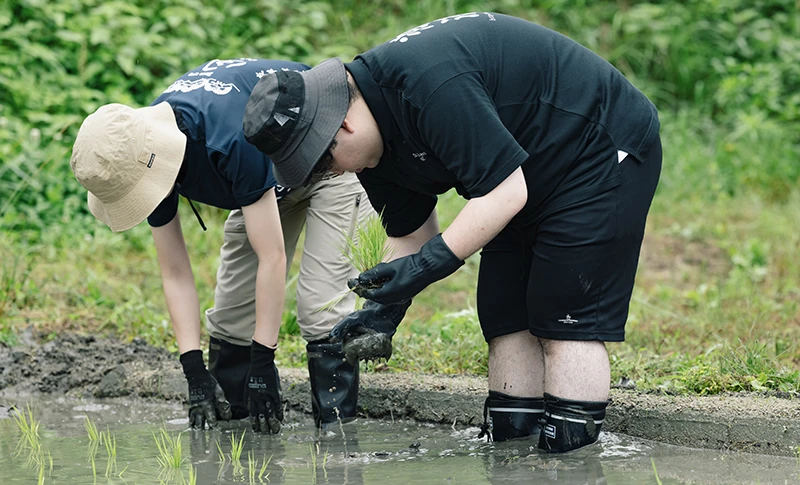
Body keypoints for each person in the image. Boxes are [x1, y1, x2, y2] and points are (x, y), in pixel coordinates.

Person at [242, 13, 661, 453]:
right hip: (520, 172)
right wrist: (384, 308)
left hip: (596, 150)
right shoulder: (371, 146)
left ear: (341, 126)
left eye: (324, 164)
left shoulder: (431, 85)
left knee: (563, 316)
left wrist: (426, 266)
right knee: (504, 315)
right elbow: (412, 236)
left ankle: (571, 461)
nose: (333, 174)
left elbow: (504, 193)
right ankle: (512, 454)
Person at [69, 58, 371, 433]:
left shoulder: (224, 137)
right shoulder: (142, 159)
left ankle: (338, 436)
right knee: (231, 321)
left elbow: (272, 258)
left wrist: (264, 359)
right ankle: (241, 430)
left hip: (332, 159)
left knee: (320, 308)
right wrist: (193, 370)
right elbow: (175, 273)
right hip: (266, 183)